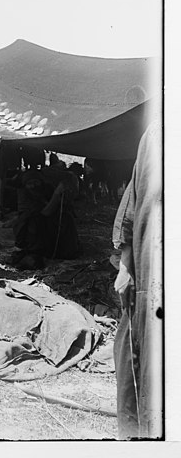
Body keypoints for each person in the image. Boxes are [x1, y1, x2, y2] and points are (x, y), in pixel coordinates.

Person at [111, 121, 162, 439]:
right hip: (147, 279)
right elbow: (134, 203)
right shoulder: (156, 133)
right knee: (135, 366)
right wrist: (126, 267)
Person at [11, 169, 81, 269]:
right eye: (30, 184)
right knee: (36, 222)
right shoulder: (24, 195)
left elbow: (58, 206)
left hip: (48, 222)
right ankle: (40, 250)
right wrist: (56, 194)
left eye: (36, 182)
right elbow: (44, 212)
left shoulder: (46, 188)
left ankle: (67, 248)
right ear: (25, 185)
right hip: (33, 230)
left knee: (66, 218)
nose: (34, 186)